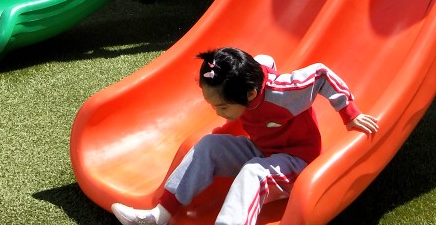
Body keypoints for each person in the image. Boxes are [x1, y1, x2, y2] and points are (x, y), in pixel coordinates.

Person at [110, 47, 379, 225]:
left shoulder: (283, 93)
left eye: (223, 107)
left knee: (253, 172)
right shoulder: (244, 82)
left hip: (297, 162)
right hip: (262, 149)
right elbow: (264, 60)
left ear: (250, 93)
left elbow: (321, 74)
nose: (218, 112)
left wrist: (350, 114)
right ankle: (160, 215)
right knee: (209, 145)